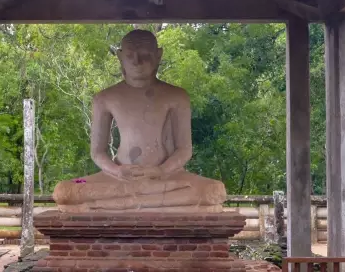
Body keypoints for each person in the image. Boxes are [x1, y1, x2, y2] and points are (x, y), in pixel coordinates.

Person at [53, 29, 226, 213]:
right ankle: (149, 202)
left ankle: (113, 204)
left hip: (167, 177)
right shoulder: (105, 98)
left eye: (145, 54)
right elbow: (97, 152)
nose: (136, 61)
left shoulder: (176, 96)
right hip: (117, 177)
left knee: (213, 190)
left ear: (158, 55)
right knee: (64, 191)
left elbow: (184, 150)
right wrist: (117, 171)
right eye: (129, 55)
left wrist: (161, 171)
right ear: (120, 56)